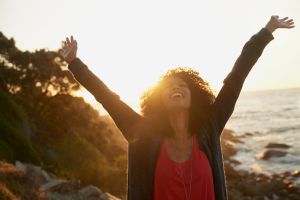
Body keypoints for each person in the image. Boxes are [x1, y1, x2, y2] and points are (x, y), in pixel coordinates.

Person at [60, 15, 294, 200]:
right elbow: (107, 97)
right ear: (159, 100)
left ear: (195, 96)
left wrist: (266, 32)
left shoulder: (209, 127)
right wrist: (74, 63)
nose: (176, 88)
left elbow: (236, 77)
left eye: (183, 85)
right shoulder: (143, 133)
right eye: (169, 87)